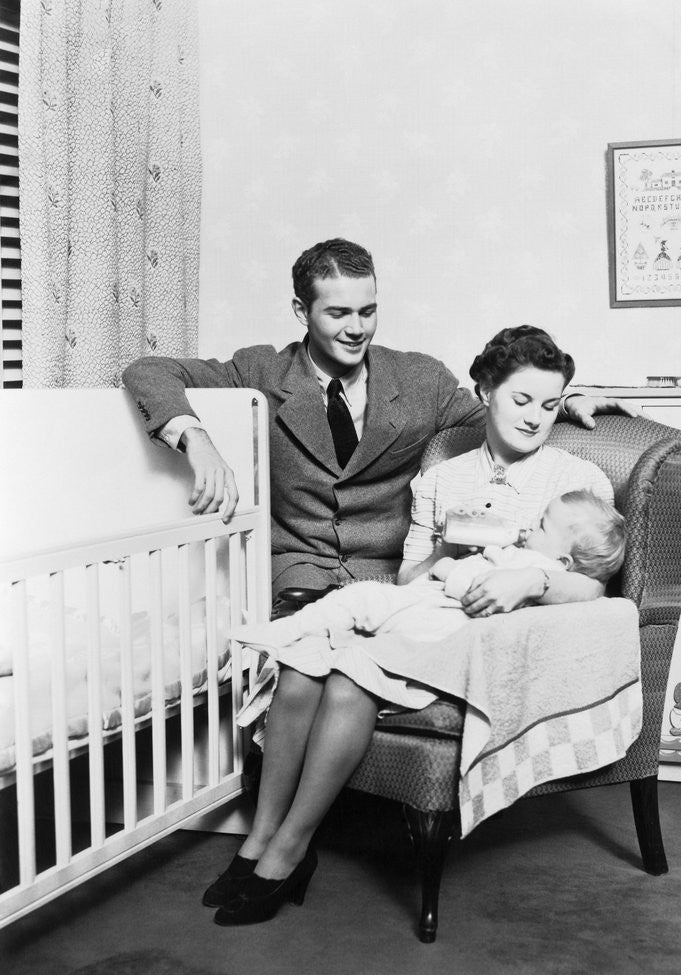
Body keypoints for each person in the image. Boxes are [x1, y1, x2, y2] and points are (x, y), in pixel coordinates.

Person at [202, 325, 626, 928]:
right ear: (486, 393)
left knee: (348, 677)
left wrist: (530, 580)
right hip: (428, 609)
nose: (536, 418)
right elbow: (411, 579)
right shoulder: (441, 479)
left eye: (551, 404)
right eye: (521, 400)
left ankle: (291, 848)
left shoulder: (577, 483)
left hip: (493, 642)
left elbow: (594, 589)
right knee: (299, 666)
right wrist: (449, 551)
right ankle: (259, 838)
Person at [122, 238, 635, 598]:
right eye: (338, 313)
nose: (356, 329)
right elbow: (148, 370)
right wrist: (197, 440)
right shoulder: (261, 370)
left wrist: (566, 400)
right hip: (295, 576)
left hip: (387, 580)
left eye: (367, 312)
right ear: (301, 311)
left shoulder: (421, 380)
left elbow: (501, 409)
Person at [233, 489, 626, 654]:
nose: (529, 528)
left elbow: (479, 589)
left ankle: (284, 634)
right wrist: (453, 546)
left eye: (541, 526)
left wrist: (449, 568)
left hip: (446, 620)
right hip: (430, 606)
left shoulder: (538, 566)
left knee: (358, 599)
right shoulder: (527, 556)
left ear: (564, 563)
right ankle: (295, 635)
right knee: (359, 608)